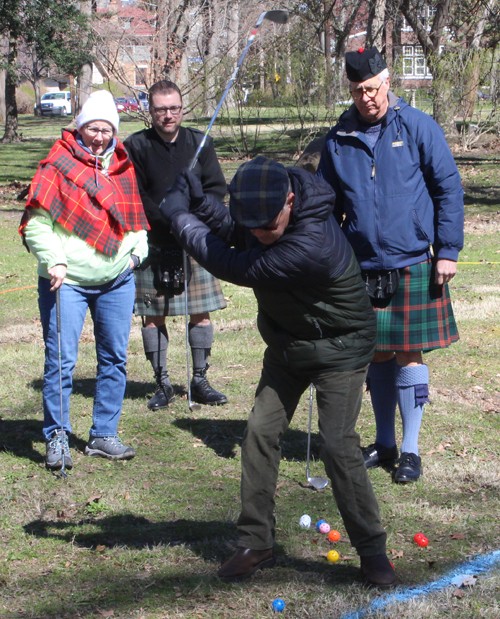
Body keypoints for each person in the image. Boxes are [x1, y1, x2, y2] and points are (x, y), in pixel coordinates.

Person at [159, 156, 396, 587]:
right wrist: (201, 202)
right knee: (258, 433)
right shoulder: (269, 219)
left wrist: (179, 217)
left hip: (341, 347)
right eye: (255, 225)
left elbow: (234, 264)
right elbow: (237, 232)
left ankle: (372, 551)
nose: (259, 234)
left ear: (290, 200)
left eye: (267, 225)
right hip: (288, 344)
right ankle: (256, 542)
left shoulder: (311, 243)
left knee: (337, 445)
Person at [317, 47, 464, 483]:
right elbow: (324, 205)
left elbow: (448, 189)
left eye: (373, 88)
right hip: (361, 265)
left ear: (387, 82)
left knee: (408, 353)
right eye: (358, 91)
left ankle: (412, 450)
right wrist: (330, 255)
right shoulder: (338, 139)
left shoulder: (418, 126)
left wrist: (449, 250)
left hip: (413, 259)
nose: (367, 98)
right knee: (375, 354)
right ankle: (384, 444)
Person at [20, 90, 150, 470]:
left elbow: (137, 223)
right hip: (67, 283)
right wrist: (55, 261)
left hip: (117, 281)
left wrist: (136, 256)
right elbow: (37, 226)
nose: (99, 136)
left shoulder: (122, 168)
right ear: (79, 128)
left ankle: (103, 434)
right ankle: (56, 436)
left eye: (106, 129)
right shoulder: (55, 167)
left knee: (114, 359)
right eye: (92, 128)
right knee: (61, 362)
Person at [124, 80, 228, 410]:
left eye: (174, 108)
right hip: (154, 241)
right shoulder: (136, 146)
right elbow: (135, 195)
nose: (168, 116)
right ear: (150, 112)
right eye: (160, 109)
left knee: (201, 313)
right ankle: (163, 384)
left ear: (182, 109)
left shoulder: (201, 143)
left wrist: (189, 217)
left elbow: (216, 189)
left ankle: (199, 381)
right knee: (152, 316)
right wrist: (168, 218)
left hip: (194, 241)